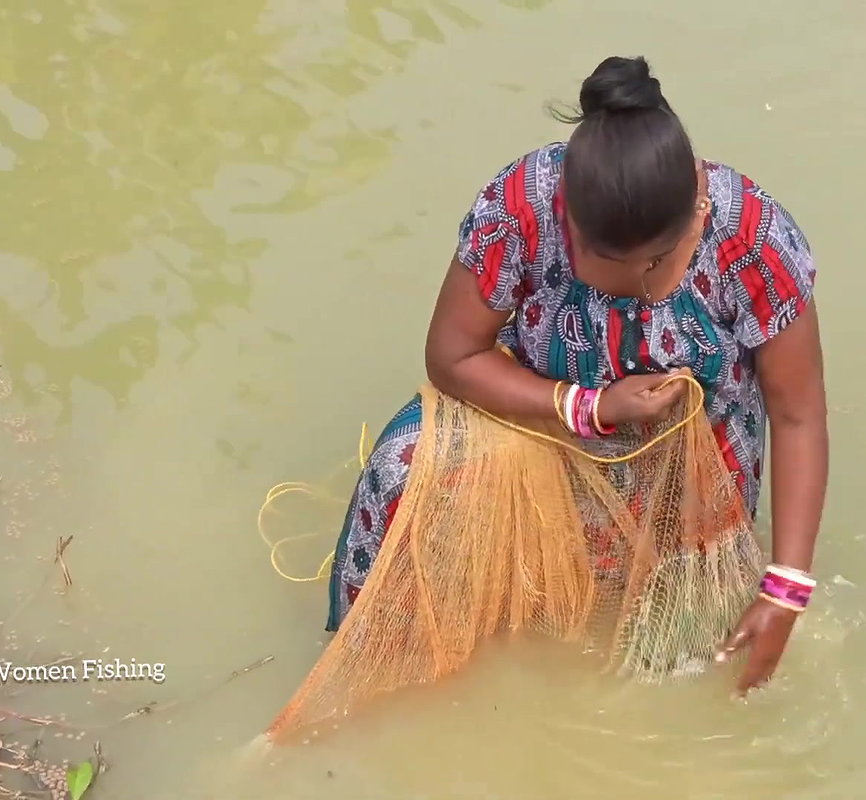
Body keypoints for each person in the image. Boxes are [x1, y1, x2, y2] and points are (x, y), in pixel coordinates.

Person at [325, 55, 829, 695]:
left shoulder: (753, 241)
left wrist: (786, 587)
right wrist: (590, 407)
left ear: (677, 238)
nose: (593, 265)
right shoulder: (522, 204)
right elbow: (453, 357)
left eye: (630, 262)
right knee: (402, 464)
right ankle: (376, 677)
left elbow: (797, 415)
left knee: (669, 669)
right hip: (546, 428)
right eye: (587, 246)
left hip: (695, 475)